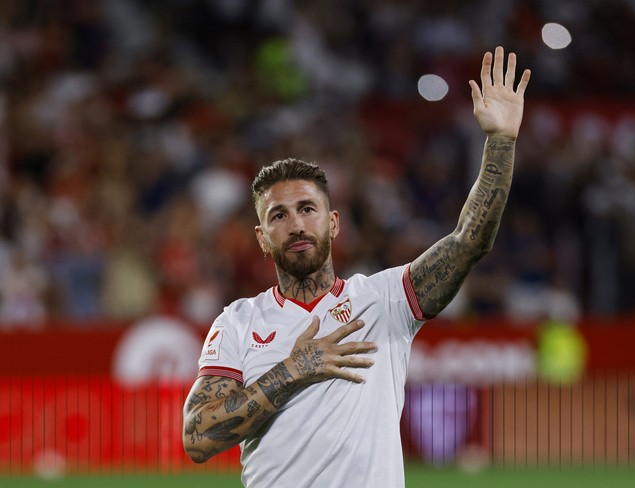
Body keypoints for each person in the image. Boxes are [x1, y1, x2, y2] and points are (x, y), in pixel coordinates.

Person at [182, 46, 530, 487]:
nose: (295, 224)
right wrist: (293, 370)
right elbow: (197, 437)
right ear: (261, 239)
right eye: (278, 215)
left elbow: (469, 241)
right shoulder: (237, 322)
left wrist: (500, 141)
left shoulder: (384, 300)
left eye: (307, 209)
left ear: (333, 223)